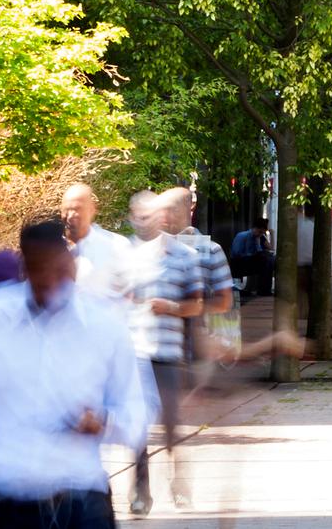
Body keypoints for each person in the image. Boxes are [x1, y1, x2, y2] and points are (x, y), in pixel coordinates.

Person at [0, 219, 153, 529]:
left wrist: (104, 422)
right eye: (39, 270)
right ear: (25, 270)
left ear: (71, 266)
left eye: (58, 269)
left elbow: (137, 412)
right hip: (9, 502)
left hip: (82, 501)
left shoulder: (104, 327)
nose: (50, 280)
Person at [124, 190, 204, 515]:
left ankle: (180, 479)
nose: (143, 221)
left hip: (168, 353)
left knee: (171, 424)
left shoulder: (184, 255)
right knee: (137, 426)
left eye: (150, 215)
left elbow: (196, 305)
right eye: (138, 215)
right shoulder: (124, 255)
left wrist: (170, 307)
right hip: (135, 353)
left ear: (162, 217)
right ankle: (140, 491)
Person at [160, 188, 235, 377]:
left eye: (173, 208)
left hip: (196, 351)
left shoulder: (210, 250)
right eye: (163, 209)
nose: (166, 215)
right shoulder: (151, 250)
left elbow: (225, 302)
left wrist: (179, 308)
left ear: (190, 208)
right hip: (159, 349)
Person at [62, 183, 131, 298]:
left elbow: (128, 295)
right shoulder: (51, 249)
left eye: (77, 209)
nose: (70, 215)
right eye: (66, 209)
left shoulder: (118, 246)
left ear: (92, 209)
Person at [229, 219, 271, 299]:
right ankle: (262, 289)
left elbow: (260, 251)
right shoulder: (242, 236)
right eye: (260, 232)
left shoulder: (257, 238)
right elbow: (236, 253)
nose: (260, 235)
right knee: (263, 259)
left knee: (268, 260)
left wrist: (258, 242)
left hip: (248, 261)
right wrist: (251, 254)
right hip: (238, 262)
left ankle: (264, 289)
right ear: (255, 228)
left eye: (262, 233)